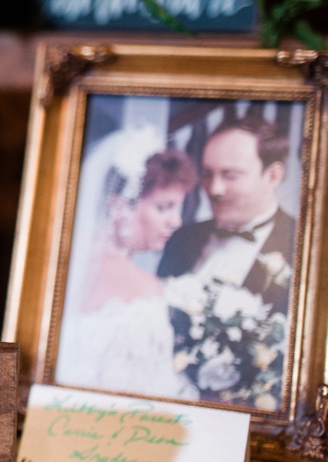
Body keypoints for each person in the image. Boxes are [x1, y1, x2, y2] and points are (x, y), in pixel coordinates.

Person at [157, 115, 296, 404]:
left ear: (273, 176)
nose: (214, 189)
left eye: (230, 175)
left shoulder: (305, 249)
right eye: (207, 174)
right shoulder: (182, 238)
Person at [54, 127, 199, 399]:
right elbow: (154, 393)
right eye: (164, 207)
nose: (176, 221)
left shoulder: (60, 270)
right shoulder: (146, 289)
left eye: (177, 208)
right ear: (119, 206)